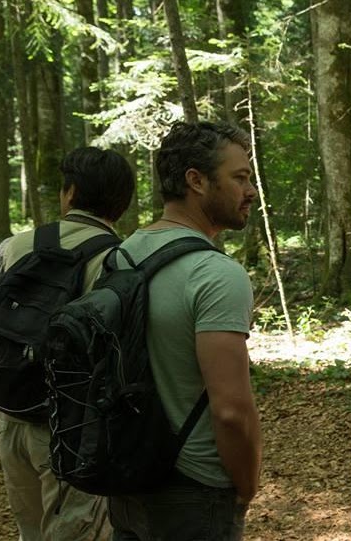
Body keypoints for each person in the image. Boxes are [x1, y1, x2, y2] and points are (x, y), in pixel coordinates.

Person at [0, 146, 136, 541]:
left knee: (31, 532)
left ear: (69, 193)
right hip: (76, 429)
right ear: (121, 205)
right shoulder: (119, 260)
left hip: (11, 415)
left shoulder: (18, 245)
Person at [106, 121, 262, 541]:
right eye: (240, 177)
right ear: (196, 180)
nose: (250, 191)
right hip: (195, 489)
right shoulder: (215, 274)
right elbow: (230, 410)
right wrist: (246, 486)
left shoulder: (120, 256)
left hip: (127, 475)